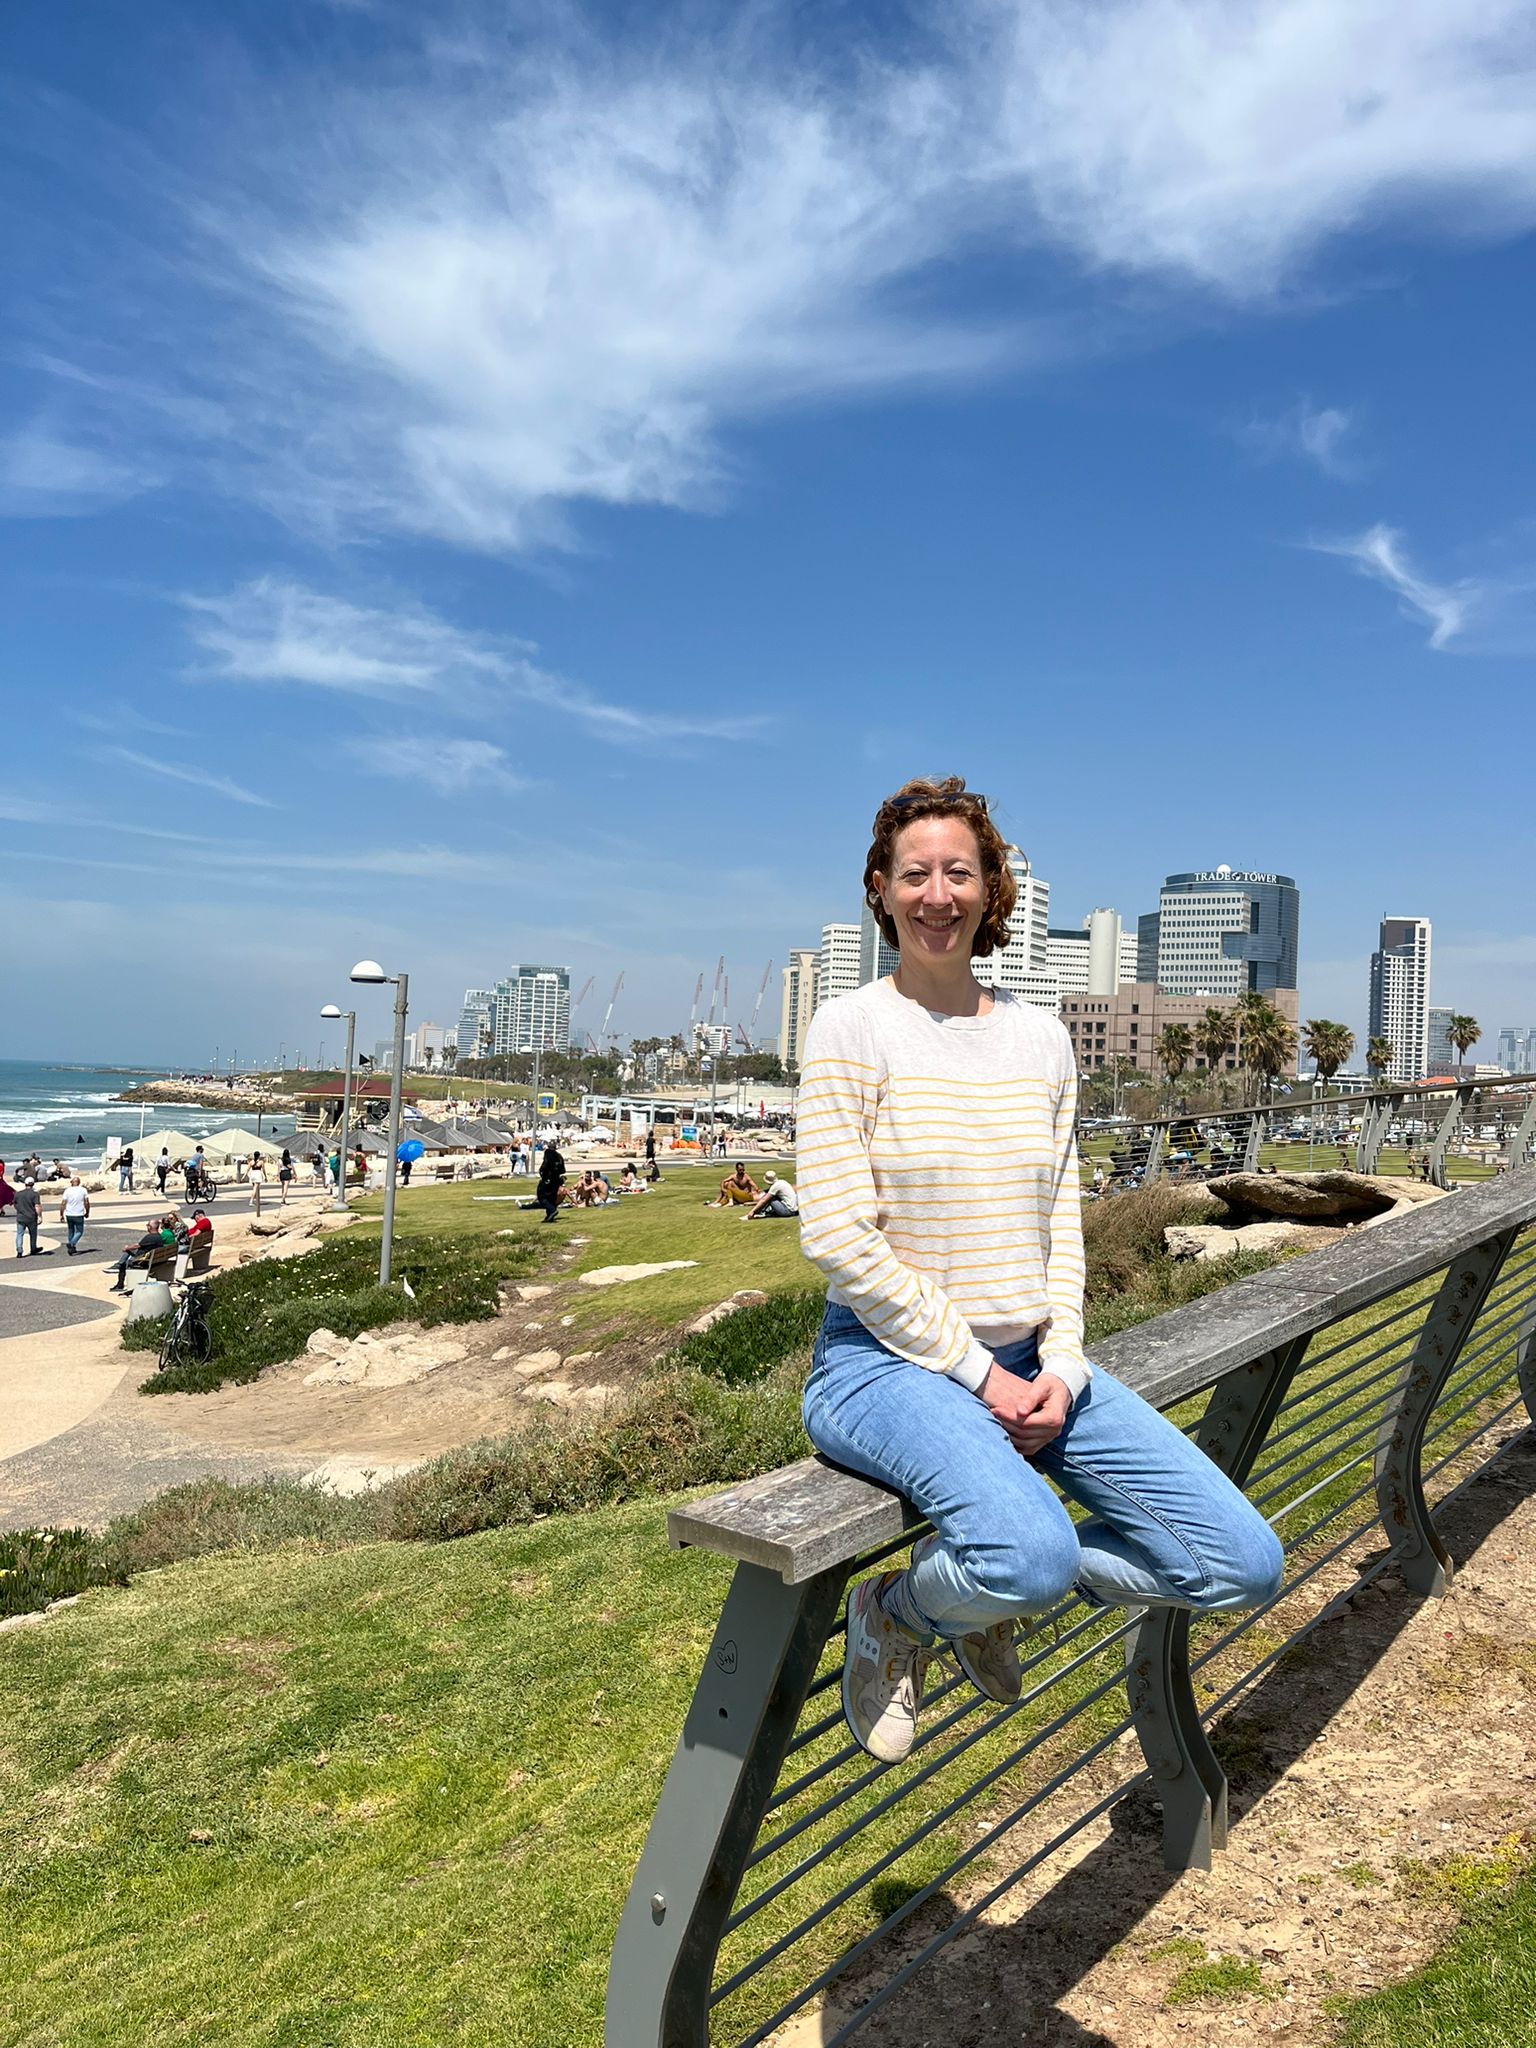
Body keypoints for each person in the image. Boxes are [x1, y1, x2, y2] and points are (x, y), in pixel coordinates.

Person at [796, 778, 1283, 1764]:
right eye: (916, 873)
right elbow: (840, 1237)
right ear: (882, 891)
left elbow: (1059, 1218)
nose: (939, 893)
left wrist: (1060, 1362)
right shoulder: (849, 1029)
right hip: (883, 1367)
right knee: (1030, 1550)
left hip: (1037, 1360)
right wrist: (982, 1376)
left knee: (1244, 1562)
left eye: (960, 871)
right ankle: (901, 1609)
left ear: (992, 890)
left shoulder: (1040, 1037)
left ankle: (965, 1596)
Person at [104, 1216, 175, 1293]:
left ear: (150, 1227)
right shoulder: (159, 1237)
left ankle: (119, 1274)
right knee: (129, 1252)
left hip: (143, 1262)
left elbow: (137, 1245)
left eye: (147, 1225)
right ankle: (118, 1265)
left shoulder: (150, 1237)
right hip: (153, 1260)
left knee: (126, 1257)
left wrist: (127, 1248)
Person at [532, 1140, 566, 1223]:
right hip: (556, 1179)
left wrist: (542, 1173)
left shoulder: (549, 1154)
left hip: (548, 1179)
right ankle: (549, 1216)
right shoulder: (559, 1156)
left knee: (542, 1196)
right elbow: (563, 1170)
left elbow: (545, 1165)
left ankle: (552, 1210)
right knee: (551, 1197)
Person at [59, 1175, 90, 1255]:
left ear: (72, 1183)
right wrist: (87, 1211)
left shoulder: (67, 1190)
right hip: (78, 1213)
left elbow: (63, 1203)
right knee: (79, 1231)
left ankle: (72, 1248)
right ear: (79, 1183)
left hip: (69, 1213)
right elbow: (86, 1202)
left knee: (71, 1230)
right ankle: (72, 1243)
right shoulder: (83, 1190)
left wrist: (61, 1214)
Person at [13, 1178, 43, 1258]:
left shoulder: (18, 1194)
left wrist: (20, 1210)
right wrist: (39, 1216)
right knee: (33, 1234)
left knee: (19, 1234)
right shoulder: (35, 1194)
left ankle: (19, 1250)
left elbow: (15, 1204)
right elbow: (37, 1206)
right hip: (31, 1217)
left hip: (21, 1217)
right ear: (33, 1184)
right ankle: (33, 1248)